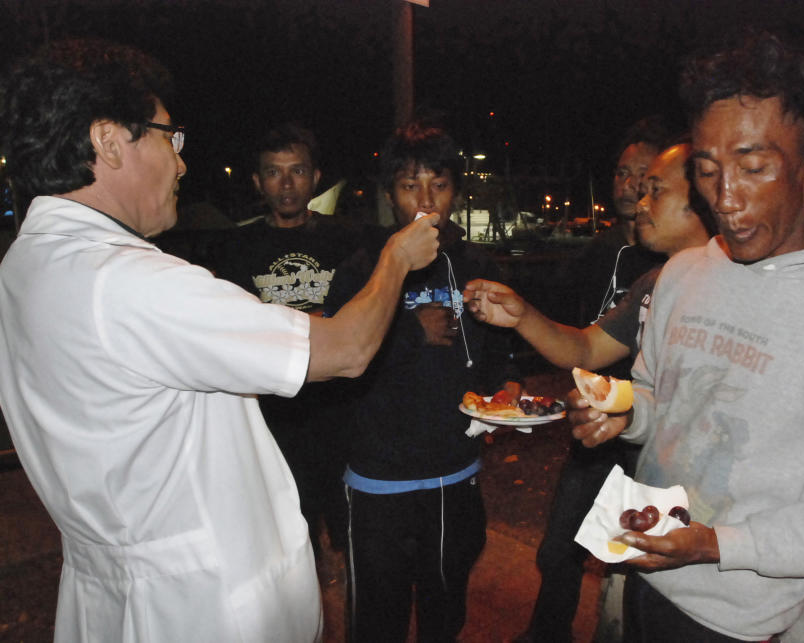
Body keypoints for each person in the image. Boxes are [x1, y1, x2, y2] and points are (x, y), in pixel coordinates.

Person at [0, 39, 439, 643]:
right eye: (166, 137)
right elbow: (347, 348)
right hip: (204, 606)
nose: (180, 164)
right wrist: (397, 256)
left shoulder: (24, 268)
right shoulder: (131, 283)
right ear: (107, 140)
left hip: (113, 596)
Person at [567, 32, 804, 642]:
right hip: (640, 569)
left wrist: (720, 545)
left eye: (754, 167)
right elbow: (658, 397)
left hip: (738, 619)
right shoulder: (684, 273)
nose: (726, 198)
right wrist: (622, 418)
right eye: (708, 171)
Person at [465, 141, 716, 643]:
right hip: (621, 449)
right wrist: (522, 316)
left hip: (692, 487)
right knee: (586, 567)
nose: (639, 203)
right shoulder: (655, 283)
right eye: (637, 188)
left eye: (655, 191)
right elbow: (585, 347)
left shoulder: (732, 286)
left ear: (703, 198)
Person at [334, 120, 511, 642]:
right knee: (376, 619)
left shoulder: (477, 263)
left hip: (455, 472)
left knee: (445, 608)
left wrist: (509, 390)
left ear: (456, 190)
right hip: (378, 479)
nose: (426, 199)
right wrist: (408, 331)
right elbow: (340, 366)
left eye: (439, 184)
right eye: (410, 185)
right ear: (389, 193)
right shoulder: (362, 269)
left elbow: (499, 353)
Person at [208, 123, 367, 553]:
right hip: (275, 422)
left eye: (297, 170)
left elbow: (370, 312)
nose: (286, 183)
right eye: (273, 172)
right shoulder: (235, 247)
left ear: (316, 177)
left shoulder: (349, 238)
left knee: (355, 541)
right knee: (293, 546)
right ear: (258, 181)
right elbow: (232, 331)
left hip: (344, 414)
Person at [564, 117, 669, 333]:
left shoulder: (669, 259)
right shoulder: (596, 251)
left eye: (642, 173)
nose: (628, 184)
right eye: (622, 173)